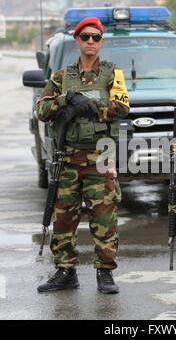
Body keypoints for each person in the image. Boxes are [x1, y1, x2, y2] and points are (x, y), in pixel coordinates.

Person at [36, 17, 129, 294]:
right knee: (64, 215)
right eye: (86, 36)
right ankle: (65, 271)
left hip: (101, 154)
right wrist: (66, 100)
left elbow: (122, 107)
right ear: (77, 39)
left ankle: (105, 273)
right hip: (68, 155)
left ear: (101, 42)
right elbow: (42, 109)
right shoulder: (62, 77)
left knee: (104, 215)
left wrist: (87, 106)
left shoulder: (113, 73)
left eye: (96, 37)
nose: (91, 41)